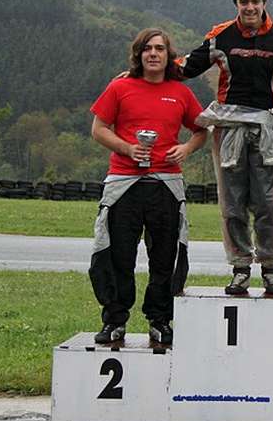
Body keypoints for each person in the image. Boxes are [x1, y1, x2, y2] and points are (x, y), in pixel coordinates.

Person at [178, 0, 273, 296]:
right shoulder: (221, 35)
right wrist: (143, 70)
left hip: (267, 128)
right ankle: (240, 268)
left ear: (264, 3)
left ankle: (270, 268)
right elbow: (187, 66)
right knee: (232, 204)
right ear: (236, 4)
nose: (249, 7)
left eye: (255, 1)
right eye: (244, 2)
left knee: (268, 203)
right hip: (228, 127)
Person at [88, 28, 207, 345]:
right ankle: (114, 321)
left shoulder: (180, 92)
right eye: (147, 49)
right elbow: (98, 129)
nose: (153, 54)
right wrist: (127, 148)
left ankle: (160, 320)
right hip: (123, 182)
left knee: (165, 257)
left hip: (166, 184)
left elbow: (201, 130)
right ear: (138, 55)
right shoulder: (120, 87)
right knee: (117, 255)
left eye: (159, 49)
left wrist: (186, 148)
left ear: (169, 56)